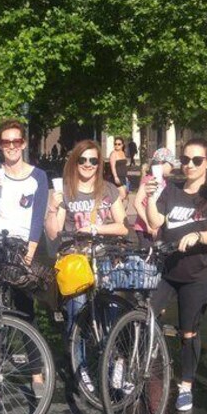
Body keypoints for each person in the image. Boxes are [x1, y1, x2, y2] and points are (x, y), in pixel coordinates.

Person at [142, 138, 207, 411]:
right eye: (186, 159)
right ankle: (140, 365)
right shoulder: (172, 189)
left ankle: (186, 386)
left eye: (197, 160)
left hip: (196, 275)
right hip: (168, 271)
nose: (189, 165)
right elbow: (156, 221)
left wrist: (197, 236)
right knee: (146, 317)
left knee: (188, 331)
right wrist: (151, 197)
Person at [0, 118, 49, 394]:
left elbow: (37, 219)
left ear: (23, 143)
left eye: (16, 141)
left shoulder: (37, 176)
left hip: (20, 245)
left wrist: (30, 252)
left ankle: (36, 373)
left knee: (24, 308)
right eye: (6, 142)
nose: (11, 146)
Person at [44, 139, 128, 339]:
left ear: (99, 164)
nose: (88, 164)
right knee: (77, 314)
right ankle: (77, 356)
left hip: (103, 256)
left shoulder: (108, 189)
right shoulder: (65, 191)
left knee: (110, 312)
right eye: (83, 160)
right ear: (75, 162)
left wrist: (95, 228)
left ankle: (109, 354)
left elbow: (123, 227)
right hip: (76, 259)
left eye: (93, 160)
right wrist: (52, 208)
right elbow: (53, 233)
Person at [133, 147, 177, 246]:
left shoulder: (164, 181)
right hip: (145, 228)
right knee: (148, 254)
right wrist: (148, 224)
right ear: (161, 163)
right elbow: (137, 203)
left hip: (158, 227)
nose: (173, 168)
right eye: (171, 164)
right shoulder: (149, 179)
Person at [109, 137, 129, 201]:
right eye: (115, 144)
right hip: (117, 177)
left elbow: (124, 166)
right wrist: (115, 177)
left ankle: (118, 207)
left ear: (122, 145)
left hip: (123, 177)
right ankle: (111, 205)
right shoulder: (113, 153)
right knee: (122, 195)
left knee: (123, 196)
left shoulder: (123, 153)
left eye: (119, 144)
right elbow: (112, 166)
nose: (117, 145)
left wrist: (126, 177)